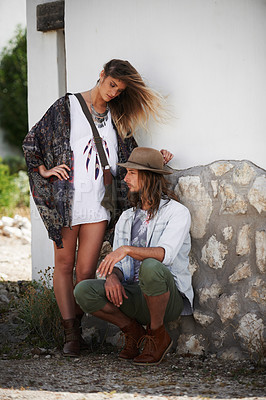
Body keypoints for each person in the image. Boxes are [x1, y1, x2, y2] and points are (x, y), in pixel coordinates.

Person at [22, 59, 173, 357]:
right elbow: (32, 141)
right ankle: (72, 335)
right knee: (64, 265)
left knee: (86, 270)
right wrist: (44, 170)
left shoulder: (117, 116)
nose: (114, 93)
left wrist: (157, 157)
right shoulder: (66, 107)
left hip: (98, 203)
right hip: (68, 200)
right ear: (102, 75)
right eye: (112, 85)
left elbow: (131, 155)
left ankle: (77, 323)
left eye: (120, 90)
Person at [74, 147, 193, 365]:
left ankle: (157, 335)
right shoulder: (127, 217)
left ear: (148, 177)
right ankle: (133, 331)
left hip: (167, 298)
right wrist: (112, 277)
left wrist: (127, 249)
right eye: (126, 172)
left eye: (132, 173)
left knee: (150, 265)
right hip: (134, 295)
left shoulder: (177, 212)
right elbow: (121, 265)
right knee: (83, 290)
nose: (126, 178)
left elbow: (164, 255)